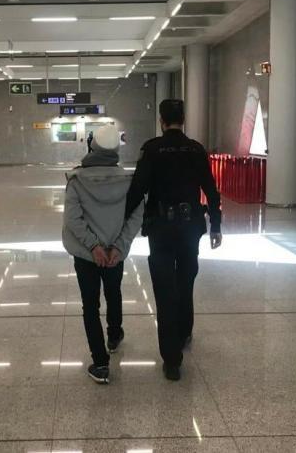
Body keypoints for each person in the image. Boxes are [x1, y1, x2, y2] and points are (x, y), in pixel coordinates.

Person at [125, 99, 222, 381]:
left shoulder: (152, 149)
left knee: (165, 288)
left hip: (162, 229)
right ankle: (184, 332)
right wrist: (216, 226)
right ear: (183, 119)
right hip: (191, 227)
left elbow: (137, 190)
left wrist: (121, 222)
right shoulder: (196, 149)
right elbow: (211, 190)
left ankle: (172, 360)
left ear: (161, 121)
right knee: (186, 279)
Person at [62, 124, 143, 384]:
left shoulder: (77, 181)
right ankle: (114, 335)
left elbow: (73, 219)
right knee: (113, 291)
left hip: (87, 255)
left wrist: (93, 247)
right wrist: (118, 246)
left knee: (90, 304)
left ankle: (100, 363)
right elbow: (136, 216)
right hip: (114, 254)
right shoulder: (129, 182)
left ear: (92, 146)